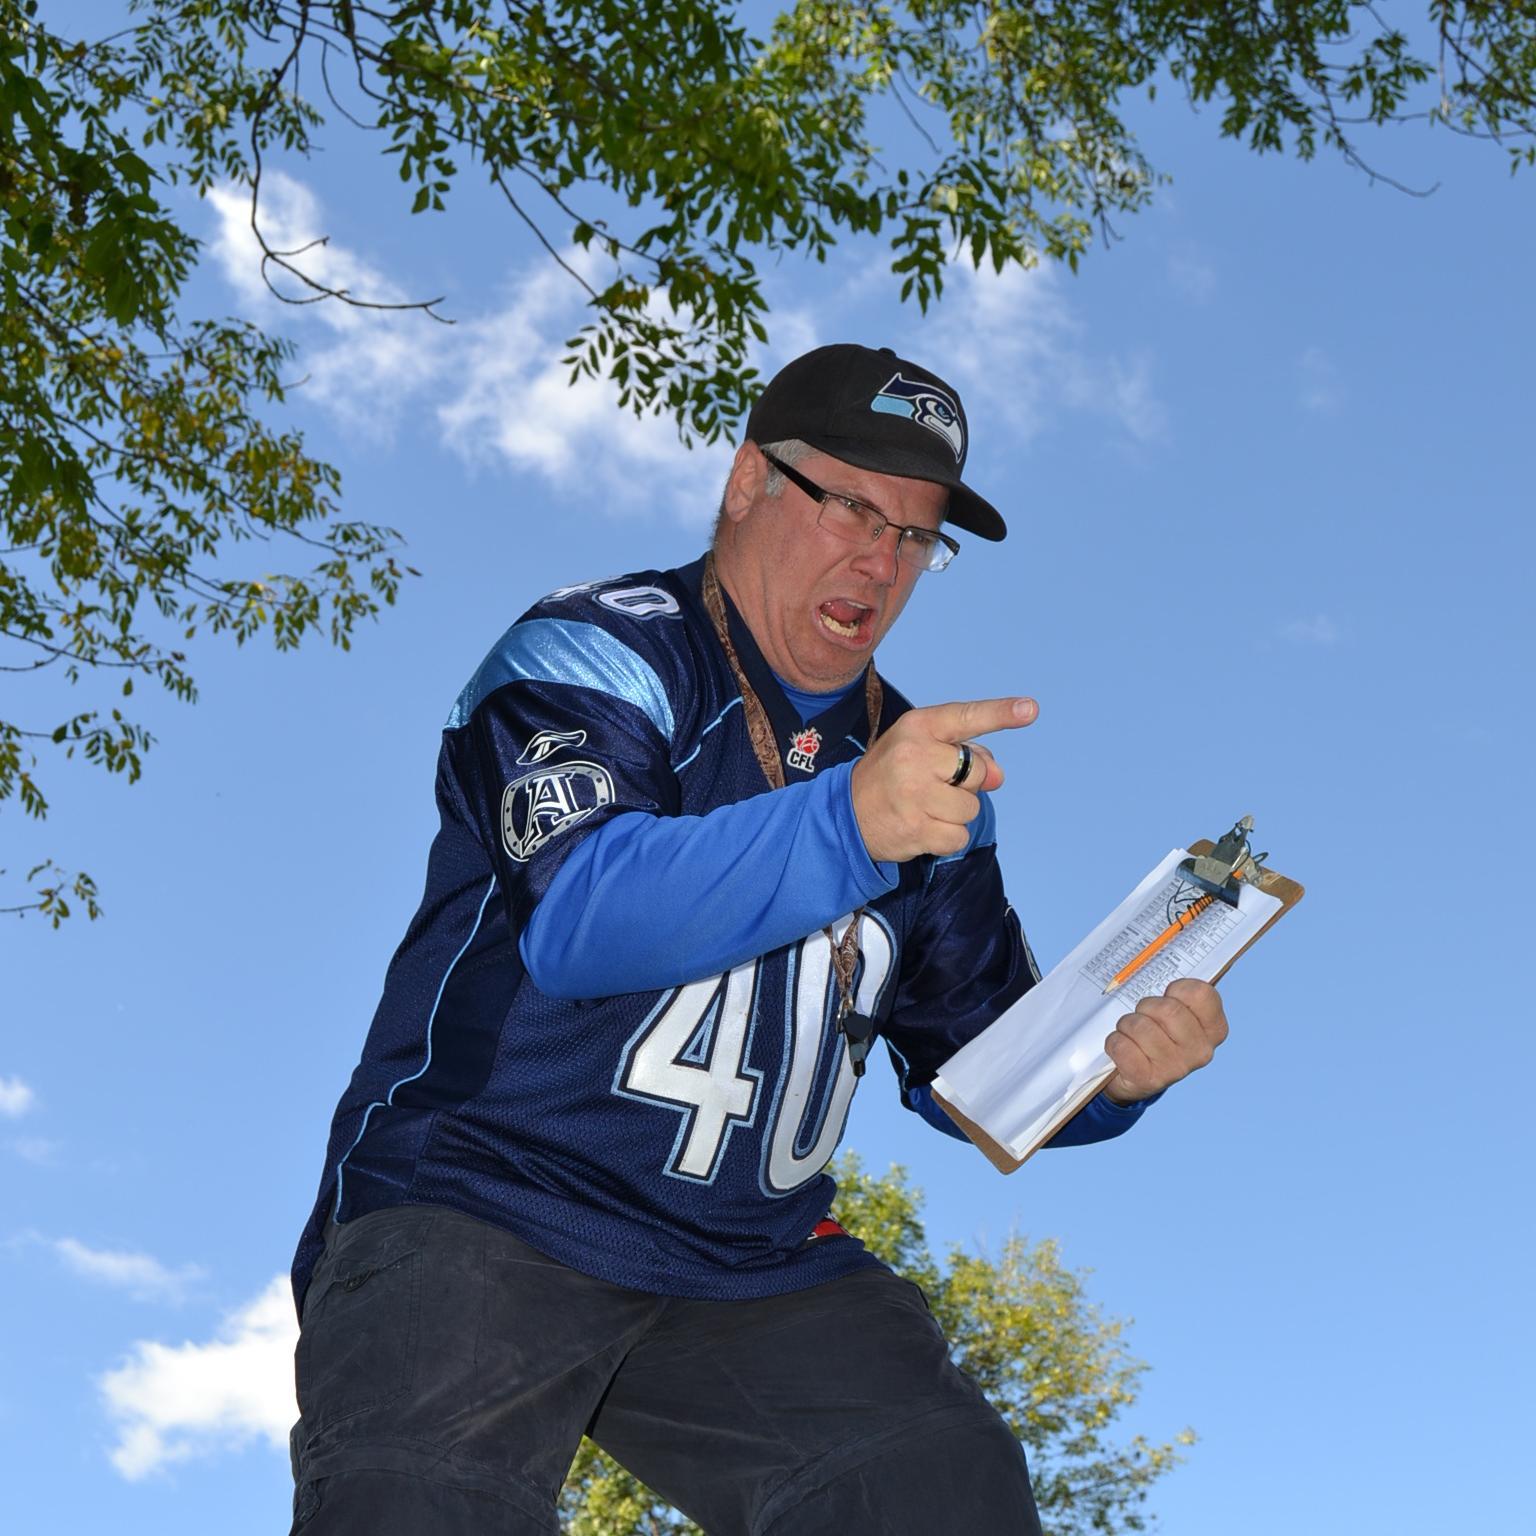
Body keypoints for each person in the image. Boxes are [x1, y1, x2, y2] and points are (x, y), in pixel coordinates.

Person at [288, 343, 1230, 1535]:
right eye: (852, 508)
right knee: (420, 1508)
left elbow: (978, 1068)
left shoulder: (920, 774)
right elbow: (581, 916)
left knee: (944, 1486)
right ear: (748, 481)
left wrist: (1113, 1071)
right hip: (482, 1205)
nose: (880, 561)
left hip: (747, 1263)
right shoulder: (594, 651)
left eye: (917, 535)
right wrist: (846, 824)